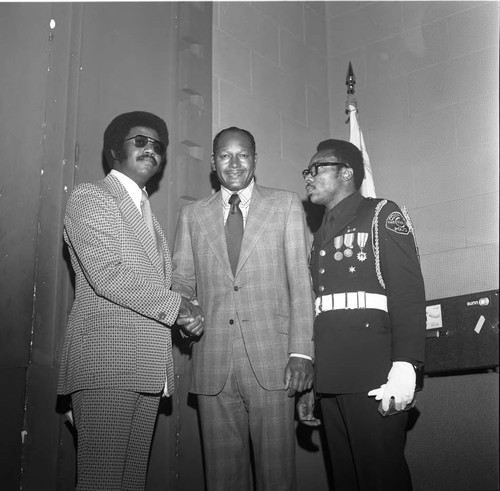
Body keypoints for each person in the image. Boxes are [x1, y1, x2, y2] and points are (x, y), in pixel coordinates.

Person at [57, 111, 203, 491]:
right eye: (140, 141)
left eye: (158, 146)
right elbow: (109, 275)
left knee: (129, 483)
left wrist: (182, 317)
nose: (151, 150)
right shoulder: (92, 197)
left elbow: (148, 287)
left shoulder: (147, 215)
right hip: (106, 364)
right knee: (101, 483)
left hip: (146, 369)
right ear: (113, 150)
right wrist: (180, 309)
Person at [171, 127, 315, 491]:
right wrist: (184, 310)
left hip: (273, 362)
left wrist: (301, 352)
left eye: (243, 155)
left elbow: (301, 282)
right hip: (212, 363)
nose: (234, 163)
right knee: (221, 480)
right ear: (213, 162)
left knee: (277, 478)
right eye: (225, 155)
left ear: (255, 159)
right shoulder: (192, 215)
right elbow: (182, 281)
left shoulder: (285, 205)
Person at [297, 139, 426, 491]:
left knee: (380, 479)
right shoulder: (320, 234)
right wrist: (316, 381)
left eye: (316, 169)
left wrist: (406, 365)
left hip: (375, 377)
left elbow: (408, 294)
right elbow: (322, 313)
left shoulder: (382, 214)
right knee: (346, 482)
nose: (308, 177)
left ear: (346, 172)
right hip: (333, 381)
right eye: (306, 171)